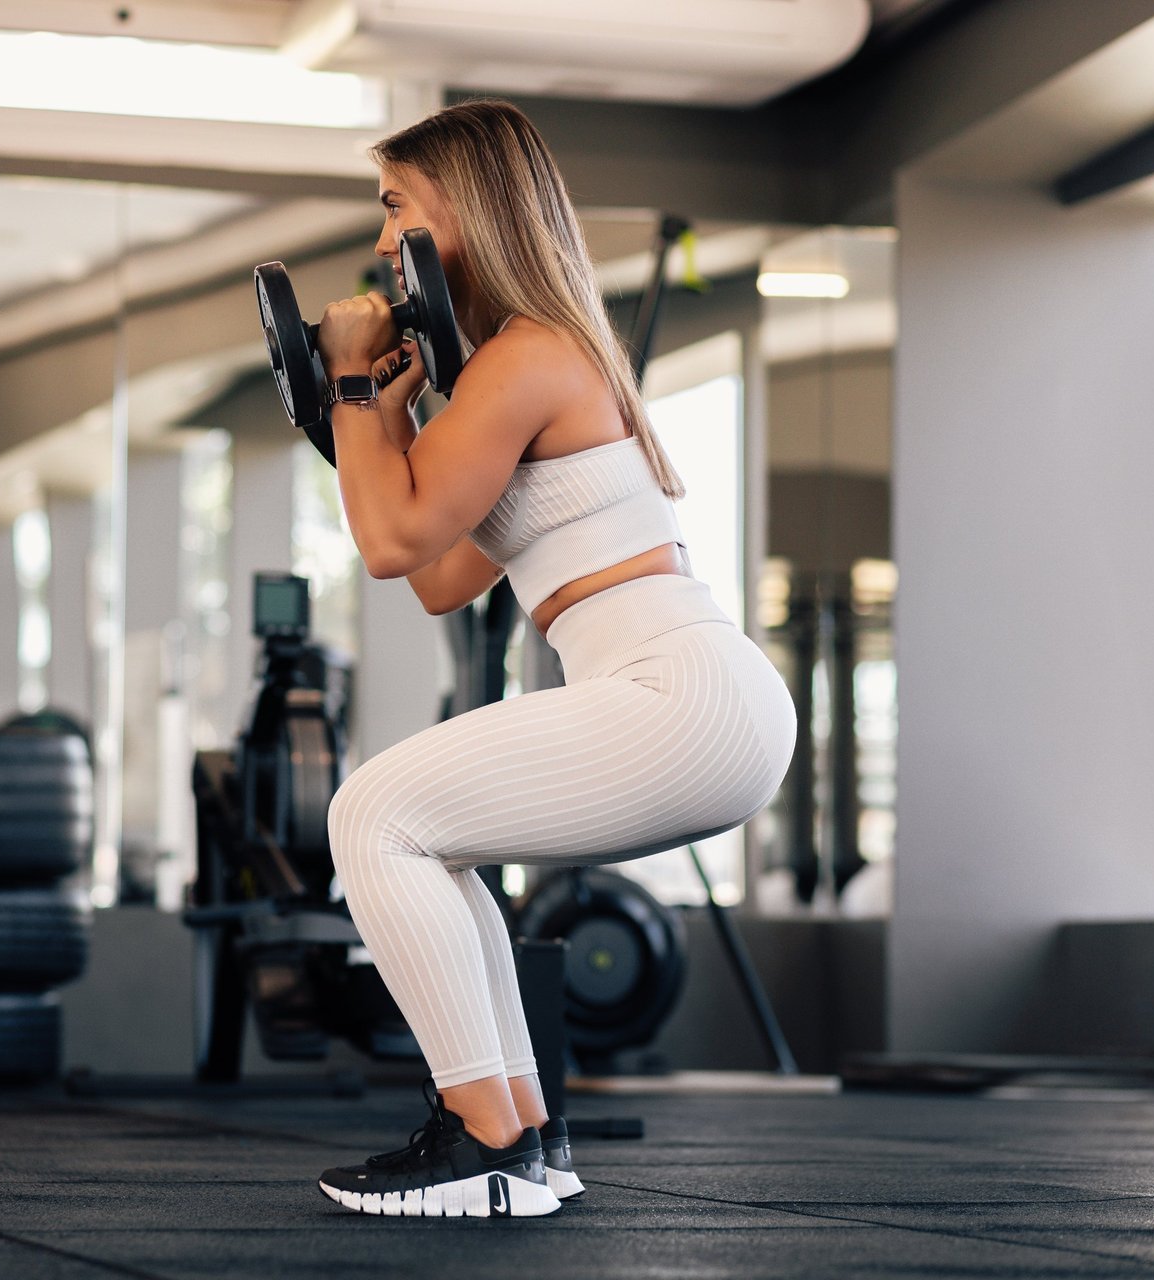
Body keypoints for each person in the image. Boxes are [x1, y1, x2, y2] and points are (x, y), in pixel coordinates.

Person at [309, 99, 796, 1219]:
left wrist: (346, 386)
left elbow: (385, 540)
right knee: (430, 839)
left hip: (679, 693)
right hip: (692, 693)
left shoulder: (531, 356)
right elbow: (432, 570)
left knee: (371, 814)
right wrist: (378, 411)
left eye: (395, 208)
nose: (384, 242)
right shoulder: (521, 363)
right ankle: (522, 1132)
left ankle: (482, 1133)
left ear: (464, 211)